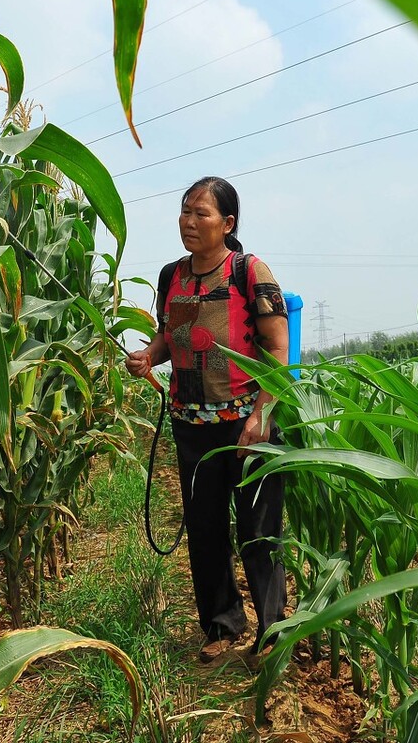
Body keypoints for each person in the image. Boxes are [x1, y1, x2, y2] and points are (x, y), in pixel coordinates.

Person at [125, 176, 289, 664]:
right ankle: (221, 625)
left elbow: (278, 350)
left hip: (247, 427)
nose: (189, 221)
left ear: (228, 223)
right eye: (185, 211)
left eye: (202, 213)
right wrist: (148, 357)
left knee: (259, 532)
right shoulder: (171, 275)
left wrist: (261, 415)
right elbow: (169, 333)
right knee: (205, 529)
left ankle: (273, 631)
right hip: (191, 425)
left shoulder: (250, 272)